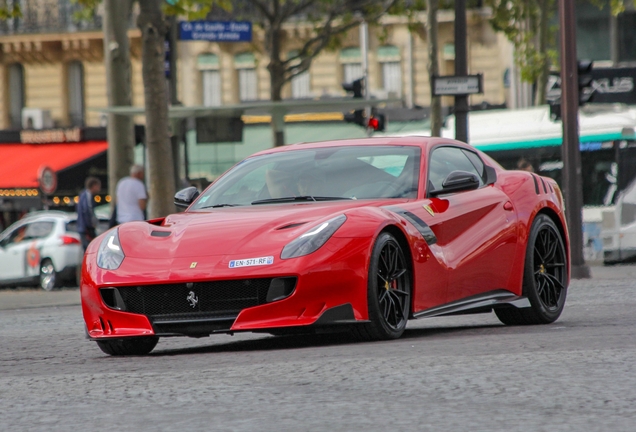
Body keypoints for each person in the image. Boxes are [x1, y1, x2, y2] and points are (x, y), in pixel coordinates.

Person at [76, 176, 101, 251]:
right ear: (94, 186)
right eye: (98, 186)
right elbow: (87, 210)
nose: (99, 189)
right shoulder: (86, 196)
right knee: (89, 249)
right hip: (85, 229)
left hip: (84, 228)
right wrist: (90, 225)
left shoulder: (83, 195)